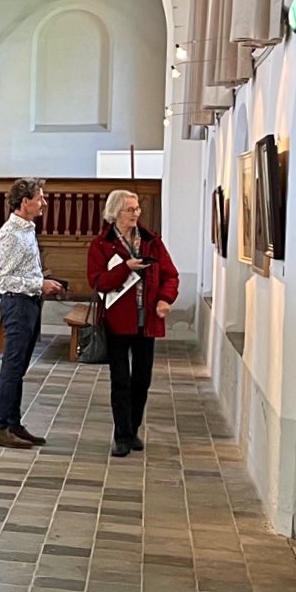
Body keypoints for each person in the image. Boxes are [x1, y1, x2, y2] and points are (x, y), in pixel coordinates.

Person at [87, 190, 180, 457]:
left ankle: (133, 428)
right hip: (117, 321)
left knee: (142, 379)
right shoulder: (101, 244)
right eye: (130, 209)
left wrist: (164, 299)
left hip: (146, 320)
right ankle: (121, 435)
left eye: (137, 208)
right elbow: (98, 281)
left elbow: (171, 275)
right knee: (120, 381)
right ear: (115, 213)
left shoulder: (151, 242)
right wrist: (125, 267)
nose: (136, 213)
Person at [0, 177, 64, 450]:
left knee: (19, 368)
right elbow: (1, 279)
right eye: (40, 197)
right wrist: (38, 284)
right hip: (17, 304)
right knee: (11, 367)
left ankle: (13, 422)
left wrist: (41, 283)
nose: (44, 202)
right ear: (24, 202)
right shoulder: (11, 234)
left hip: (29, 303)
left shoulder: (27, 229)